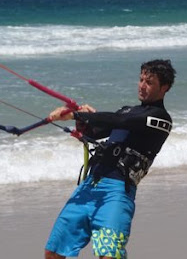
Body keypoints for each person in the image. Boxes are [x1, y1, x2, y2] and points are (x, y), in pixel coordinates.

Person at [44, 59, 176, 259]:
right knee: (54, 252)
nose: (142, 86)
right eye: (140, 79)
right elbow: (97, 132)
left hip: (116, 192)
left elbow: (121, 121)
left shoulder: (161, 119)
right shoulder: (127, 110)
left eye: (149, 82)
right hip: (89, 186)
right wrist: (84, 121)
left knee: (109, 255)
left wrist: (76, 115)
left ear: (164, 87)